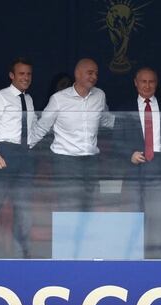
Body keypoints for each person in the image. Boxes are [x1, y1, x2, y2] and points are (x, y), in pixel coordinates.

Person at [113, 67, 161, 257]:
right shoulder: (125, 108)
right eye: (143, 81)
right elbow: (116, 140)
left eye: (151, 82)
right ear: (136, 82)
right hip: (135, 169)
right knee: (132, 216)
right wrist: (129, 154)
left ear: (156, 83)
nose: (147, 85)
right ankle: (132, 259)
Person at [31, 58, 114, 212]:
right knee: (68, 205)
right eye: (90, 73)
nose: (94, 77)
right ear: (77, 74)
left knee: (88, 204)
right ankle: (68, 237)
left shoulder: (100, 95)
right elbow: (42, 127)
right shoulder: (58, 99)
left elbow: (105, 119)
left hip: (91, 160)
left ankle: (81, 236)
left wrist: (135, 124)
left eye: (96, 73)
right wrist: (24, 147)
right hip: (65, 161)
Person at [0, 57, 37, 258]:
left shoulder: (28, 99)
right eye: (21, 74)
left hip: (25, 157)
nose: (26, 77)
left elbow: (32, 129)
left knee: (24, 210)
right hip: (5, 154)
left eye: (29, 74)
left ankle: (23, 255)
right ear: (11, 75)